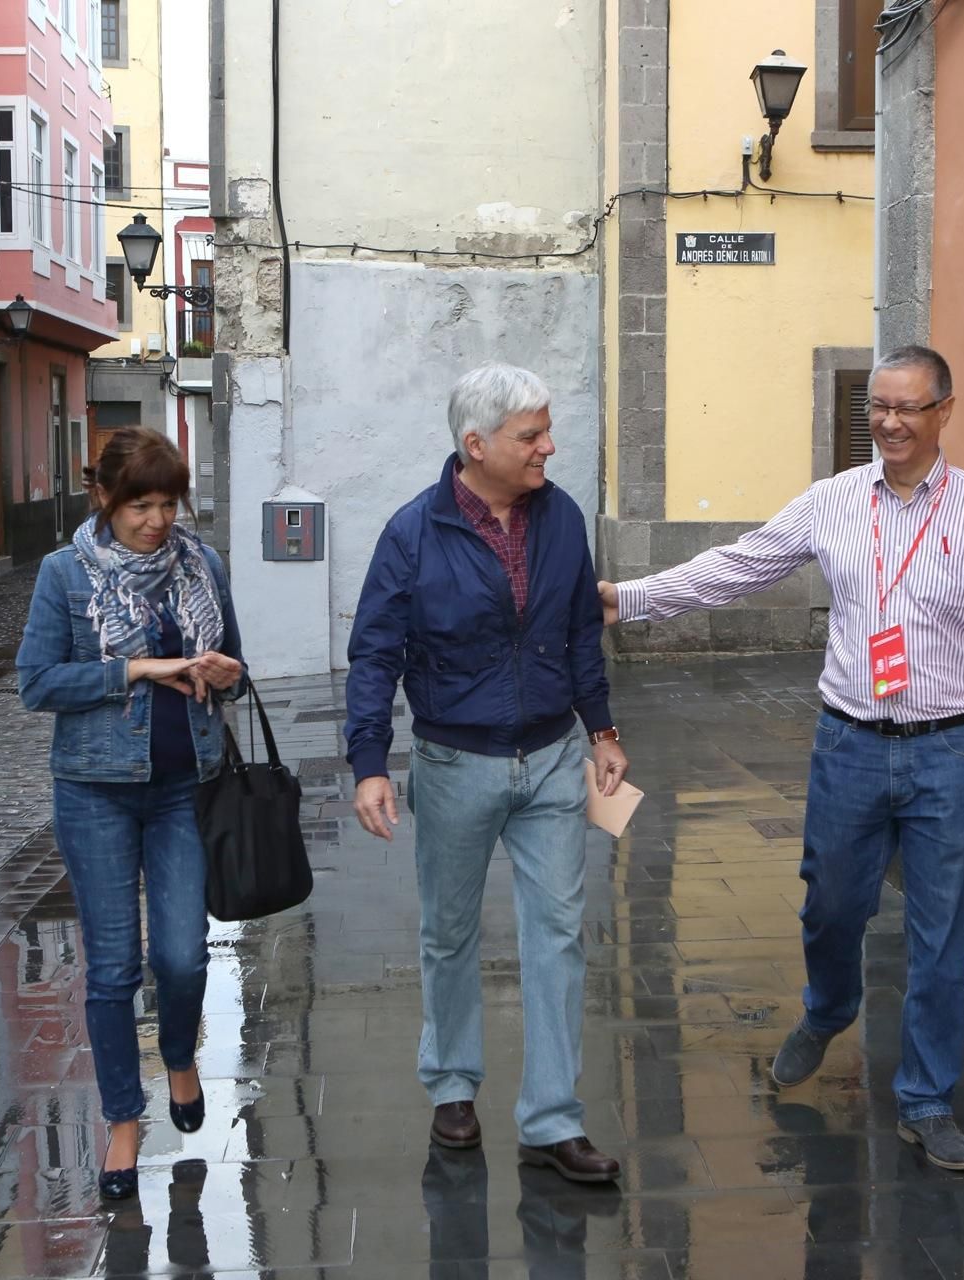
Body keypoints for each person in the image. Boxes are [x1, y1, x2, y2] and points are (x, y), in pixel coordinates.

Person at [599, 346, 964, 1172]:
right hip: (849, 744)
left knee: (940, 933)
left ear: (945, 412)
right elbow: (736, 568)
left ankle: (925, 1097)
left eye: (909, 407)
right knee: (830, 907)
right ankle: (827, 1008)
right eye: (879, 406)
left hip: (950, 750)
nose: (889, 422)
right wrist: (629, 599)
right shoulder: (833, 502)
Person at [345, 363, 630, 1184]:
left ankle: (550, 1119)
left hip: (549, 760)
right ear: (476, 445)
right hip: (453, 762)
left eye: (546, 430)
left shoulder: (564, 517)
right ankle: (453, 1087)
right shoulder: (414, 532)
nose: (549, 446)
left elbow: (581, 632)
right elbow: (375, 654)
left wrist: (601, 729)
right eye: (531, 435)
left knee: (558, 934)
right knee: (449, 931)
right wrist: (370, 762)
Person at [16, 428, 247, 1202]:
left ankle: (179, 1056)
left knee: (183, 957)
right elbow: (38, 682)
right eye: (139, 504)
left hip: (188, 788)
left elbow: (237, 675)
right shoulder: (65, 575)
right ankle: (122, 1120)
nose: (156, 520)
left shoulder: (203, 564)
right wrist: (140, 668)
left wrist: (222, 672)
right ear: (103, 502)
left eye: (167, 503)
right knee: (113, 968)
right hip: (95, 793)